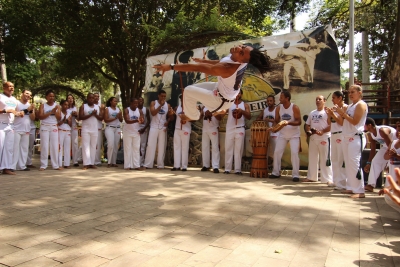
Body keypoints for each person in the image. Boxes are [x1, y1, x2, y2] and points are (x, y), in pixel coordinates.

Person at [153, 45, 271, 121]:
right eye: (243, 46)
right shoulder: (238, 58)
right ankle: (218, 110)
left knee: (188, 90)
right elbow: (221, 61)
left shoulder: (227, 68)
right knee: (194, 88)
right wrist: (204, 60)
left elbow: (196, 68)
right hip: (223, 90)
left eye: (241, 52)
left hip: (222, 99)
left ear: (241, 59)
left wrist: (170, 66)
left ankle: (193, 116)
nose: (239, 48)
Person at [335, 84, 368, 198]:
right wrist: (338, 113)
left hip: (356, 137)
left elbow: (355, 121)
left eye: (352, 92)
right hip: (346, 137)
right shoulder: (350, 106)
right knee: (348, 164)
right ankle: (351, 187)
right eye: (349, 92)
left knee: (354, 163)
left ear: (359, 92)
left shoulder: (361, 104)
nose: (350, 94)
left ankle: (360, 191)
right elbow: (343, 121)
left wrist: (343, 113)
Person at [270, 91, 302, 182]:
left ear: (287, 98)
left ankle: (295, 175)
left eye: (281, 97)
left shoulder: (294, 107)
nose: (279, 99)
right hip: (282, 134)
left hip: (294, 135)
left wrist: (288, 122)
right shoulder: (278, 108)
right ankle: (275, 172)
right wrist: (273, 128)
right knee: (277, 152)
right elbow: (276, 120)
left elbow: (299, 122)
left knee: (294, 153)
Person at [303, 95, 333, 185]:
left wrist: (323, 131)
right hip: (313, 138)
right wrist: (308, 131)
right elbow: (307, 124)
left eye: (320, 99)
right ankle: (311, 177)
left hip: (324, 138)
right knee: (312, 158)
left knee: (325, 158)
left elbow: (331, 126)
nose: (318, 100)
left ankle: (327, 179)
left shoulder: (327, 112)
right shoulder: (312, 113)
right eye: (316, 99)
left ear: (324, 101)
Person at [363, 118, 397, 192]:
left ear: (369, 125)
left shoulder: (382, 131)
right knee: (375, 161)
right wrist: (368, 163)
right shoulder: (370, 134)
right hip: (386, 146)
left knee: (390, 166)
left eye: (364, 125)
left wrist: (387, 162)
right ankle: (370, 185)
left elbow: (391, 145)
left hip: (395, 145)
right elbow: (373, 149)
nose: (363, 127)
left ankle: (391, 187)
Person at [143, 90, 173, 169]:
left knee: (161, 146)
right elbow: (153, 113)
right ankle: (148, 164)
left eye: (164, 96)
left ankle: (160, 164)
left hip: (163, 128)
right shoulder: (153, 103)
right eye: (162, 96)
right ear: (158, 96)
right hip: (154, 126)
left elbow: (171, 117)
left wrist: (168, 121)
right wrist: (160, 106)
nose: (163, 98)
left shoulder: (168, 105)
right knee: (150, 145)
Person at [224, 90, 251, 175]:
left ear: (241, 94)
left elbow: (249, 117)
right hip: (230, 128)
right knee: (228, 148)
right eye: (236, 93)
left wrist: (241, 111)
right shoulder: (229, 104)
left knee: (238, 150)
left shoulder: (245, 105)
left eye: (239, 93)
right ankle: (227, 169)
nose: (237, 95)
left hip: (240, 128)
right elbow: (223, 112)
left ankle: (238, 169)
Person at [325, 91, 347, 190]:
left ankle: (342, 183)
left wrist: (333, 114)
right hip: (333, 134)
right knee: (334, 158)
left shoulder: (345, 108)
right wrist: (329, 114)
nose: (332, 100)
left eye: (334, 98)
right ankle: (335, 180)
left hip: (341, 134)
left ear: (340, 98)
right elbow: (329, 123)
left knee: (341, 159)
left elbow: (341, 122)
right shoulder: (333, 109)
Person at [0, 82, 22, 174]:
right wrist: (5, 110)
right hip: (1, 124)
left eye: (13, 86)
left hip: (10, 125)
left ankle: (6, 167)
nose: (11, 88)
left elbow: (15, 111)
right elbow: (7, 110)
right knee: (0, 147)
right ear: (4, 87)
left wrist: (19, 113)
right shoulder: (0, 96)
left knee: (9, 147)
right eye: (9, 86)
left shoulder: (13, 99)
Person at [38, 90, 62, 171]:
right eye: (50, 96)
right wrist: (50, 112)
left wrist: (55, 112)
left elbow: (59, 118)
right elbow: (40, 116)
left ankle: (55, 165)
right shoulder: (42, 106)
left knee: (54, 146)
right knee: (44, 146)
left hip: (54, 126)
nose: (51, 98)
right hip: (45, 126)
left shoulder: (57, 106)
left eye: (53, 96)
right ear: (46, 97)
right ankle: (43, 165)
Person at [13, 89, 35, 171]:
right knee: (15, 148)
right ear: (22, 94)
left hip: (26, 129)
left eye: (30, 94)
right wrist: (27, 109)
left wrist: (31, 110)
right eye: (26, 93)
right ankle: (13, 166)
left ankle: (22, 166)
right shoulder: (17, 103)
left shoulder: (30, 105)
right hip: (16, 129)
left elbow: (33, 118)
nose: (28, 95)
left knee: (24, 148)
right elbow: (15, 114)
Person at [79, 93, 101, 170]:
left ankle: (92, 163)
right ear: (87, 98)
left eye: (93, 98)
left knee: (93, 146)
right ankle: (86, 164)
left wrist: (95, 115)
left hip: (94, 129)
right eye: (90, 98)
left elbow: (101, 118)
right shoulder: (83, 106)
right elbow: (80, 117)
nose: (91, 99)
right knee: (85, 146)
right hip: (86, 129)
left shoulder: (97, 107)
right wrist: (91, 114)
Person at [172, 95, 192, 171]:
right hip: (177, 129)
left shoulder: (189, 107)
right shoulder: (178, 108)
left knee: (184, 148)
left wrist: (186, 120)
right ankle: (176, 165)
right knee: (176, 147)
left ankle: (184, 166)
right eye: (181, 98)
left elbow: (194, 118)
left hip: (185, 129)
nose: (182, 100)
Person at [256, 95, 278, 164]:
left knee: (276, 151)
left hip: (275, 133)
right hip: (266, 134)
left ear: (274, 101)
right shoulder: (265, 110)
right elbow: (258, 118)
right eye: (268, 101)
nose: (269, 102)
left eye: (271, 101)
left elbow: (278, 121)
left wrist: (268, 120)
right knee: (266, 151)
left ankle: (276, 169)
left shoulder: (277, 110)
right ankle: (265, 168)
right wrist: (261, 120)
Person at [123, 98, 143, 170]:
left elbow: (142, 120)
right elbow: (127, 121)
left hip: (136, 132)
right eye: (134, 103)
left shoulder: (139, 111)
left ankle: (136, 165)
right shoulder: (126, 110)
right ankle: (127, 166)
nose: (136, 105)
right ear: (131, 103)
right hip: (127, 132)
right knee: (127, 148)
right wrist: (137, 120)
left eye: (137, 103)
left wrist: (141, 120)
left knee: (136, 148)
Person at [201, 106, 222, 173]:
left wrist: (212, 113)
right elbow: (200, 117)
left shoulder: (217, 105)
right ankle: (205, 165)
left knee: (215, 147)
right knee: (205, 147)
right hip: (205, 129)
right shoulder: (204, 106)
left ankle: (215, 166)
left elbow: (219, 118)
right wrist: (203, 114)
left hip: (213, 128)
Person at [104, 96, 122, 168]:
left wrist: (120, 116)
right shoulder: (107, 109)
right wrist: (115, 117)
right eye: (114, 101)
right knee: (110, 144)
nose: (115, 102)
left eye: (116, 101)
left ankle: (114, 162)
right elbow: (106, 120)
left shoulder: (118, 109)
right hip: (109, 128)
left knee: (115, 145)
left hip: (117, 128)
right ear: (111, 102)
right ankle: (109, 162)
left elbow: (121, 120)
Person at [383, 121, 400, 186]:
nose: (398, 129)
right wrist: (389, 155)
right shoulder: (392, 142)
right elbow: (385, 157)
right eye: (398, 126)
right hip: (392, 170)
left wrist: (395, 155)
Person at [57, 100, 72, 169]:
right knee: (60, 148)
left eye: (67, 105)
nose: (66, 106)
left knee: (67, 148)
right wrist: (64, 120)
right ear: (61, 105)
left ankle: (67, 163)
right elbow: (58, 123)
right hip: (60, 130)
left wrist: (69, 121)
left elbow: (71, 124)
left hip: (68, 131)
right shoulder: (59, 112)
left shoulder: (69, 113)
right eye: (65, 105)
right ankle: (59, 164)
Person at [67, 94, 80, 167]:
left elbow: (78, 119)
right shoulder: (65, 108)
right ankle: (67, 161)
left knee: (75, 144)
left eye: (71, 98)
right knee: (67, 144)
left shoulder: (75, 108)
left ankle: (75, 161)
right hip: (67, 127)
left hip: (74, 126)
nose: (70, 100)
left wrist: (76, 115)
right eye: (69, 98)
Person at [138, 97, 150, 167]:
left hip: (143, 129)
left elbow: (148, 120)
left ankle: (141, 162)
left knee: (142, 146)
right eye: (139, 100)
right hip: (136, 129)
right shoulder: (135, 109)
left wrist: (144, 128)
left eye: (142, 100)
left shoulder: (146, 110)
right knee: (136, 146)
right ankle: (134, 162)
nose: (141, 101)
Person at [94, 92, 105, 166]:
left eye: (98, 96)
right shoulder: (89, 105)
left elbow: (101, 117)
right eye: (95, 96)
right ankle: (90, 160)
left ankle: (97, 161)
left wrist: (95, 114)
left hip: (98, 127)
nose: (96, 98)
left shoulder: (101, 106)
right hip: (90, 127)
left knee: (98, 145)